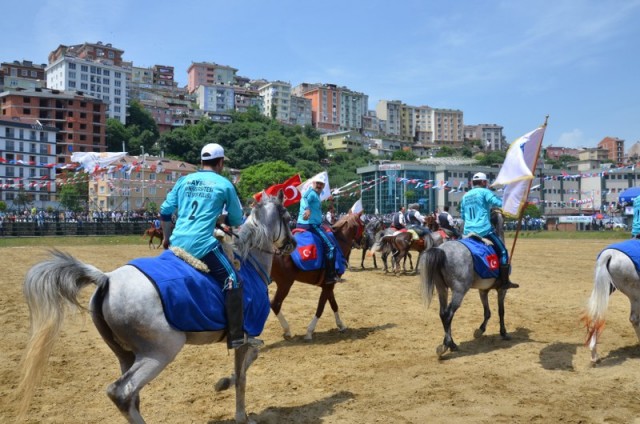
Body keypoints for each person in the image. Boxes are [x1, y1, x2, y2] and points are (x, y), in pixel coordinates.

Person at [160, 143, 257, 349]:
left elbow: (165, 211)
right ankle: (236, 336)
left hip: (177, 241)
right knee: (233, 280)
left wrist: (166, 238)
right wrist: (219, 217)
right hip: (202, 245)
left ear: (201, 161)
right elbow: (237, 218)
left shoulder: (184, 180)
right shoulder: (224, 184)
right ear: (220, 162)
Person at [460, 172, 518, 289]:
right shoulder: (485, 192)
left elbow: (463, 216)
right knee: (503, 252)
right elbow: (499, 203)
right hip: (483, 230)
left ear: (472, 183)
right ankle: (504, 281)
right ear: (483, 182)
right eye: (485, 182)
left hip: (467, 232)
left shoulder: (465, 196)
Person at [297, 176, 338, 284]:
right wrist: (307, 209)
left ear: (323, 186)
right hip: (310, 224)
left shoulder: (317, 195)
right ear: (313, 183)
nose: (319, 185)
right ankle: (330, 275)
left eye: (321, 184)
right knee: (331, 247)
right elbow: (304, 199)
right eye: (317, 183)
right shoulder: (310, 193)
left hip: (315, 224)